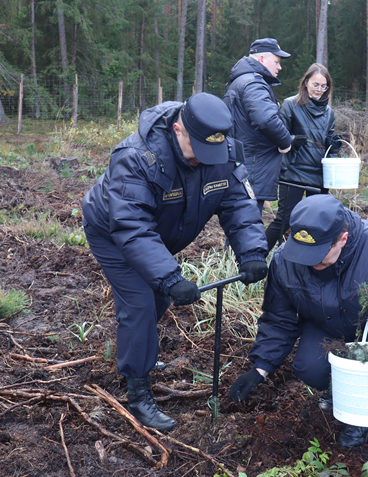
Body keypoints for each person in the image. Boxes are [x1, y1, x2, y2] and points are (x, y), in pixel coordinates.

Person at [81, 93, 269, 433]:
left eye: (210, 150)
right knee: (140, 303)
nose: (202, 158)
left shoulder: (222, 151)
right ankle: (138, 392)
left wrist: (253, 252)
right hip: (114, 232)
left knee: (157, 298)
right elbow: (132, 227)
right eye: (197, 148)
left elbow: (238, 204)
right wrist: (170, 276)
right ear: (178, 128)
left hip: (157, 235)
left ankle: (138, 352)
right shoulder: (137, 158)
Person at [227, 194, 368, 448]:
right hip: (326, 325)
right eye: (303, 252)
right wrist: (260, 368)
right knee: (308, 367)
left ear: (342, 240)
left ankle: (367, 418)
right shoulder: (285, 261)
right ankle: (338, 389)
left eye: (318, 253)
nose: (310, 261)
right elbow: (279, 319)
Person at [265, 63, 343, 252]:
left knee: (316, 223)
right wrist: (291, 140)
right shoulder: (290, 105)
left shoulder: (329, 113)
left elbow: (328, 145)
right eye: (316, 84)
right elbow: (277, 136)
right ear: (306, 82)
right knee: (284, 220)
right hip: (293, 173)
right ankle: (255, 257)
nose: (319, 90)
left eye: (323, 86)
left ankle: (307, 260)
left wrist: (333, 146)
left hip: (319, 175)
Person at [223, 38, 295, 214]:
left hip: (241, 164)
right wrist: (286, 142)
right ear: (261, 59)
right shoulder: (254, 83)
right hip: (252, 168)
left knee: (238, 219)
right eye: (276, 62)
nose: (280, 67)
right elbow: (266, 120)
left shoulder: (241, 81)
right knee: (248, 220)